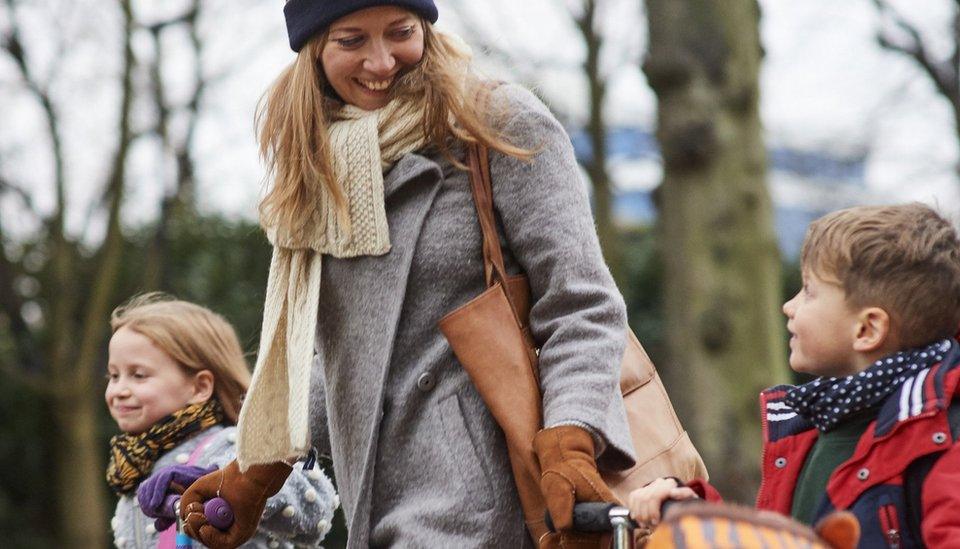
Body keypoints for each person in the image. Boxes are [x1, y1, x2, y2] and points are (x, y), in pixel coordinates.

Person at [178, 0, 637, 547]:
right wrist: (255, 474)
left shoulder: (494, 125)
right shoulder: (318, 167)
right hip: (377, 506)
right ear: (313, 48)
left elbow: (581, 303)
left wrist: (570, 441)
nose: (380, 62)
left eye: (400, 33)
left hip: (501, 497)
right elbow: (342, 357)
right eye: (352, 41)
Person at [629, 203, 960, 547]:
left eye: (809, 291)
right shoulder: (811, 423)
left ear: (867, 329)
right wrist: (694, 516)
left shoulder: (955, 439)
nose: (789, 307)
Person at [105, 294, 338, 548]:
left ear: (200, 387)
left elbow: (317, 510)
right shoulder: (132, 476)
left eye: (138, 375)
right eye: (113, 375)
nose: (119, 390)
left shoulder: (235, 446)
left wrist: (226, 479)